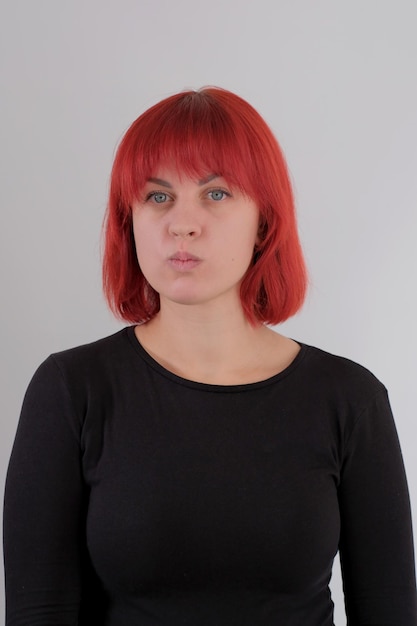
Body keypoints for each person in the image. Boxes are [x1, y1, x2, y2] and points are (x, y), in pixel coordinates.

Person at [3, 87, 417, 626]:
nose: (183, 223)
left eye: (216, 194)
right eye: (157, 197)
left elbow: (390, 613)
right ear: (128, 222)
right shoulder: (71, 389)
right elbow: (39, 612)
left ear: (264, 221)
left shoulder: (350, 400)